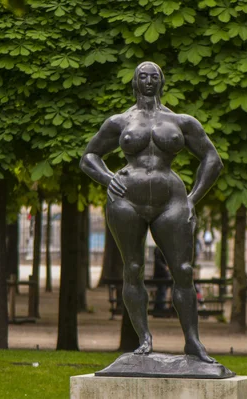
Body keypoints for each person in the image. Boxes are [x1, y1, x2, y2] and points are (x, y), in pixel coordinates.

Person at [80, 61, 223, 363]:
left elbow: (212, 159)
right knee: (132, 269)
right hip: (126, 200)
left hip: (171, 200)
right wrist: (108, 178)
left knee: (183, 271)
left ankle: (193, 342)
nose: (148, 81)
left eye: (154, 77)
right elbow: (89, 156)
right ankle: (144, 338)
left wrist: (193, 199)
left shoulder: (181, 122)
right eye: (142, 77)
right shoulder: (119, 122)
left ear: (162, 82)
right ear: (134, 82)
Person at [152, 247, 171, 314]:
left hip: (164, 275)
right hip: (161, 275)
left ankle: (157, 310)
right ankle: (161, 310)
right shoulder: (159, 249)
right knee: (162, 293)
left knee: (161, 293)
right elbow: (158, 262)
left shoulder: (162, 249)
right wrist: (165, 268)